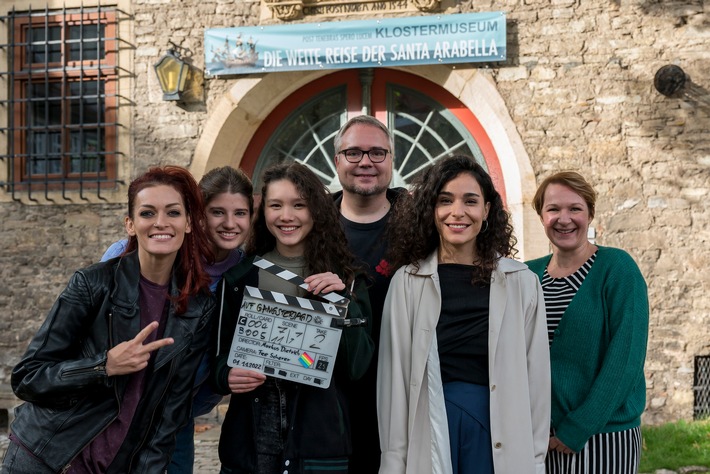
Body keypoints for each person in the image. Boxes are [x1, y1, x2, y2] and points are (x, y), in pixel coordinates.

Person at [2, 166, 216, 474]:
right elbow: (28, 378)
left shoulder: (197, 308)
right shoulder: (93, 284)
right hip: (48, 459)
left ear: (188, 224)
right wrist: (103, 366)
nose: (160, 222)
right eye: (147, 213)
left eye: (173, 212)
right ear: (130, 224)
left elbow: (169, 418)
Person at [377, 155, 550, 474]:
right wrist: (393, 461)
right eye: (445, 201)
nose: (457, 212)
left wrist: (536, 460)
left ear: (486, 210)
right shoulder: (407, 282)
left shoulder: (522, 282)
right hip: (428, 428)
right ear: (431, 209)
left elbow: (536, 380)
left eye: (470, 201)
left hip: (498, 431)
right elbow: (394, 381)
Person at [212, 162, 374, 474]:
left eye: (299, 205)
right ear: (263, 211)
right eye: (276, 205)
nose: (286, 216)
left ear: (316, 210)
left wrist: (342, 303)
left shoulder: (348, 279)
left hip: (319, 437)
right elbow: (218, 358)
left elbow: (358, 368)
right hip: (252, 434)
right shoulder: (239, 279)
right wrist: (225, 375)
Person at [100, 166, 254, 474]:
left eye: (240, 213)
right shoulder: (139, 252)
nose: (229, 223)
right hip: (119, 405)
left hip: (177, 412)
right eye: (217, 212)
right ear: (196, 216)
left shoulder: (246, 272)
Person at [526, 171, 649, 473]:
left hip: (603, 435)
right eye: (553, 209)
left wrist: (579, 427)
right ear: (541, 216)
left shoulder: (616, 268)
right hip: (539, 437)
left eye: (575, 209)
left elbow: (625, 359)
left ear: (590, 214)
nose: (564, 219)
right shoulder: (526, 276)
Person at [332, 115, 406, 473]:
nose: (365, 162)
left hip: (402, 395)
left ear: (391, 160)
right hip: (329, 397)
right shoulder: (310, 224)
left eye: (377, 153)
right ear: (337, 161)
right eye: (354, 153)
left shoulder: (422, 224)